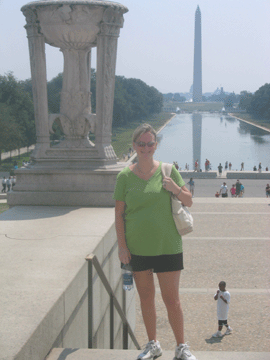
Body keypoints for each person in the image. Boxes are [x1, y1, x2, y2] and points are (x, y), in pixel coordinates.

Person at [114, 123, 197, 360]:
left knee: (172, 300)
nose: (146, 148)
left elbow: (189, 201)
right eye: (141, 144)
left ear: (156, 145)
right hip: (137, 248)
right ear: (134, 146)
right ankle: (153, 344)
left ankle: (181, 346)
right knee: (146, 298)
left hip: (167, 245)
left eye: (150, 143)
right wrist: (122, 246)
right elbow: (119, 214)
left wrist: (175, 189)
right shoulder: (124, 177)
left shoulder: (169, 171)